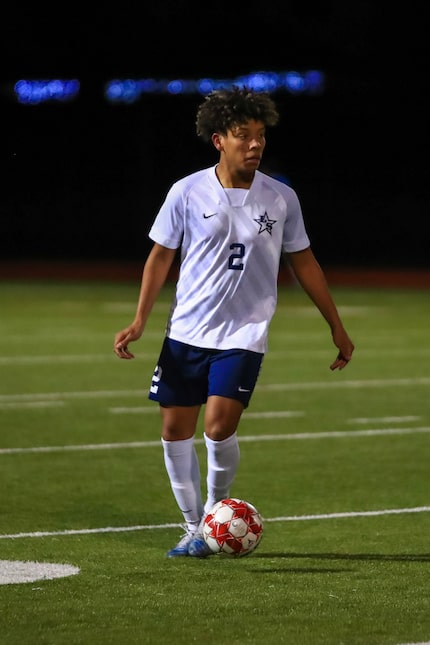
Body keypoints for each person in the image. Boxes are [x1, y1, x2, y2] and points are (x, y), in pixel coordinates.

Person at [113, 86, 355, 558]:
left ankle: (214, 511)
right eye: (243, 136)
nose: (255, 144)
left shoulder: (281, 198)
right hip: (185, 332)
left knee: (220, 426)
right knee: (174, 431)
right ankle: (193, 528)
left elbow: (304, 262)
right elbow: (161, 257)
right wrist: (140, 320)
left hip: (244, 332)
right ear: (218, 140)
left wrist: (336, 325)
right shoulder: (186, 191)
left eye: (260, 136)